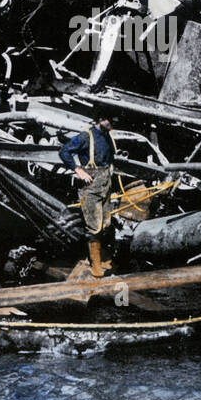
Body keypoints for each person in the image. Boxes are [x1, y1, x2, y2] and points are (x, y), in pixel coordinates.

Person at [59, 112, 117, 278]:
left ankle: (104, 257)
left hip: (106, 183)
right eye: (109, 119)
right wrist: (78, 170)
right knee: (94, 226)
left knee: (106, 222)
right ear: (100, 119)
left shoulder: (108, 136)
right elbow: (64, 151)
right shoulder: (86, 136)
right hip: (91, 186)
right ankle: (95, 264)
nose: (112, 123)